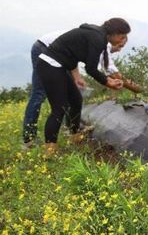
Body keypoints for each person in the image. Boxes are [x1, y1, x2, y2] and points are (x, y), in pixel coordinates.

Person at [36, 18, 131, 155]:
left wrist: (102, 79)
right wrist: (107, 82)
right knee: (59, 108)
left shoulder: (98, 36)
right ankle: (49, 151)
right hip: (50, 65)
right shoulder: (97, 38)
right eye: (122, 37)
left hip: (59, 66)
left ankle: (74, 135)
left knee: (76, 100)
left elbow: (72, 51)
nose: (123, 40)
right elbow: (91, 69)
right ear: (115, 33)